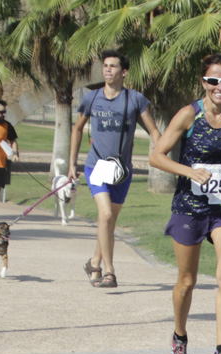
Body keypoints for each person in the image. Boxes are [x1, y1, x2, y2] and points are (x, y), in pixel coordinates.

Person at [149, 54, 221, 354]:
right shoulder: (188, 115)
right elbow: (157, 157)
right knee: (187, 280)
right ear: (204, 83)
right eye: (213, 81)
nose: (220, 87)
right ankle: (179, 338)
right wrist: (190, 172)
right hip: (190, 206)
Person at [70, 49, 162, 288]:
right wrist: (72, 164)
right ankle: (109, 271)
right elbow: (77, 129)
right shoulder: (91, 98)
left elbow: (153, 130)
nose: (108, 69)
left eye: (113, 66)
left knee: (109, 221)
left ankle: (94, 262)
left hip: (123, 171)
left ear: (124, 72)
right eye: (105, 66)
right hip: (96, 166)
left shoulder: (135, 99)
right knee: (106, 215)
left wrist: (158, 150)